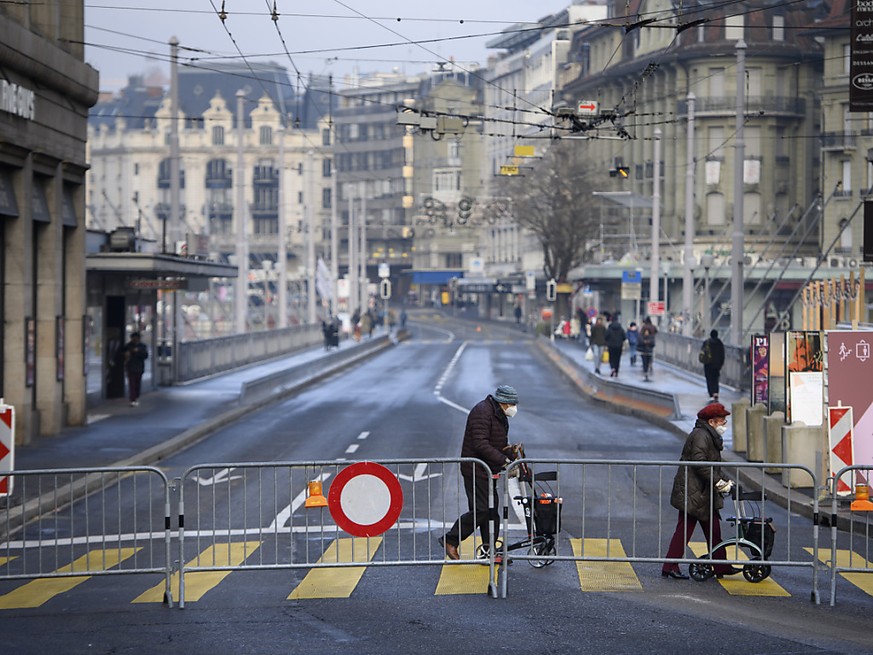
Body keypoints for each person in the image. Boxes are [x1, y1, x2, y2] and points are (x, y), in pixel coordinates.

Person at [439, 385, 519, 561]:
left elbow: (495, 443)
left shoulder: (499, 415)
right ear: (503, 402)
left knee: (491, 512)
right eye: (512, 403)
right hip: (475, 469)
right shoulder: (482, 412)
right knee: (481, 510)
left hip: (489, 470)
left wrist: (509, 453)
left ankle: (490, 551)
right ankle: (451, 539)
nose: (514, 408)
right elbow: (480, 444)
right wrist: (504, 461)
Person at [662, 403, 738, 580]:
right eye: (722, 421)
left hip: (702, 492)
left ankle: (721, 566)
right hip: (695, 493)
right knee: (685, 531)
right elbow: (700, 463)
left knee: (713, 530)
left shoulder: (707, 435)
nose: (724, 425)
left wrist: (725, 480)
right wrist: (719, 482)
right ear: (711, 421)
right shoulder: (701, 436)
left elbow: (712, 465)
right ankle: (670, 566)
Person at [123, 332, 148, 407]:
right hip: (130, 367)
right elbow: (123, 354)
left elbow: (145, 356)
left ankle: (136, 396)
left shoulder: (142, 346)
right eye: (133, 338)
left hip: (139, 367)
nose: (135, 339)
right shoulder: (128, 346)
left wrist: (138, 351)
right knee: (132, 383)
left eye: (136, 338)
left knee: (137, 383)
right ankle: (133, 398)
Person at [700, 329, 726, 402]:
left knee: (709, 379)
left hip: (708, 364)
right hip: (717, 365)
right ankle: (716, 392)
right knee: (715, 379)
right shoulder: (720, 343)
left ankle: (711, 393)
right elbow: (722, 355)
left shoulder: (706, 342)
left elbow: (702, 352)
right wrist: (721, 364)